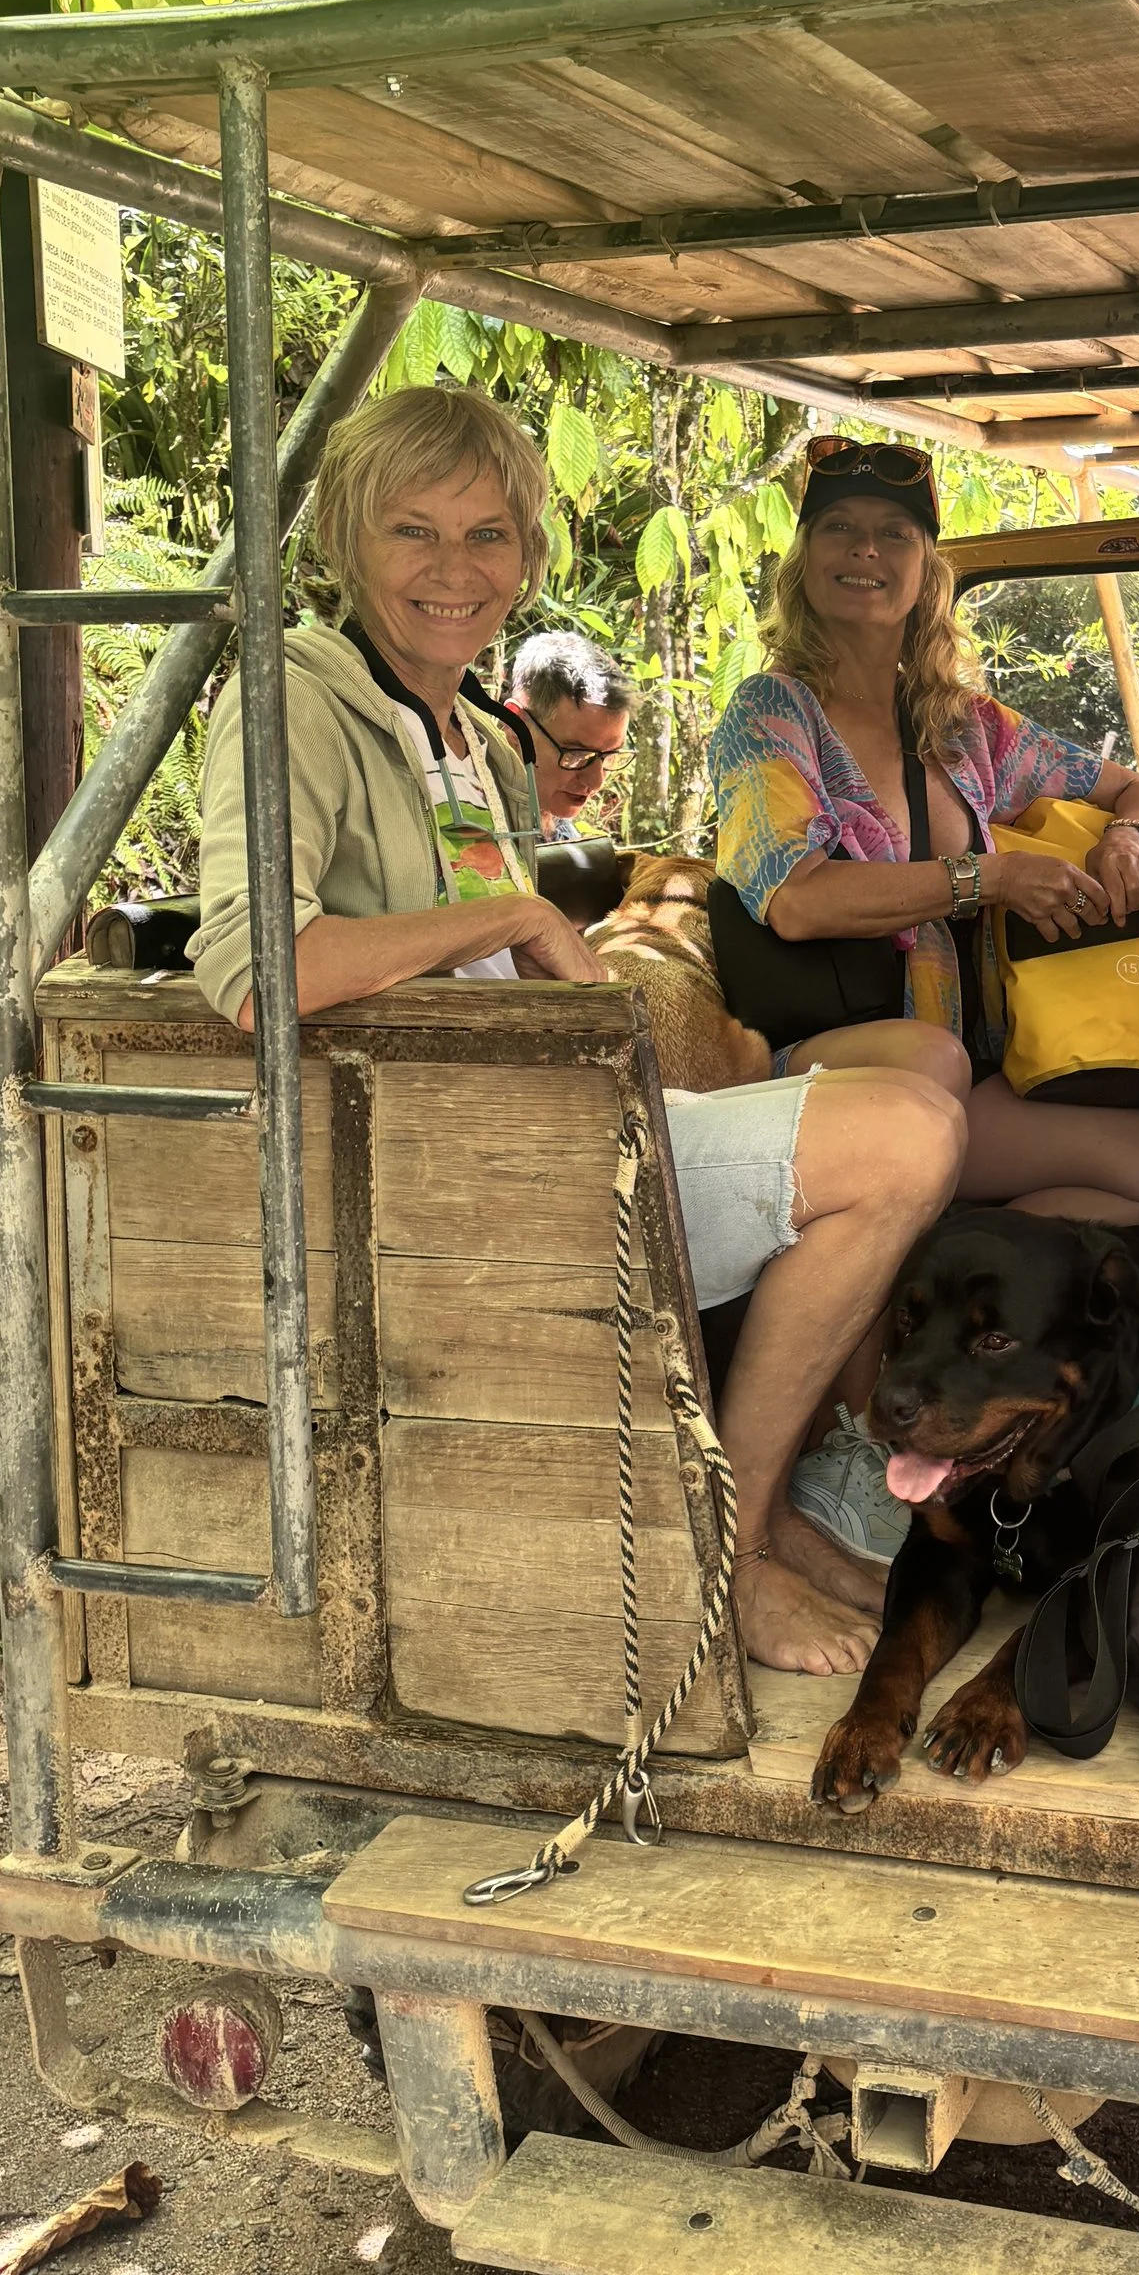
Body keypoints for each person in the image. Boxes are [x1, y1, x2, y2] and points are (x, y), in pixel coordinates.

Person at [188, 385, 960, 1678]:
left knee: (932, 1103)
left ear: (527, 559)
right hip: (451, 1166)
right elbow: (256, 969)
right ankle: (732, 1541)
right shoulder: (293, 701)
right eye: (412, 533)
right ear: (344, 539)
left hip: (563, 1114)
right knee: (896, 1145)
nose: (453, 570)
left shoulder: (477, 735)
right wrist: (507, 915)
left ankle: (770, 1514)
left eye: (488, 536)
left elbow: (498, 942)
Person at [709, 437, 1139, 1229]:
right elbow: (797, 903)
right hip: (814, 1066)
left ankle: (967, 1251)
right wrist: (988, 878)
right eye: (838, 527)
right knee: (931, 1060)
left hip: (968, 1062)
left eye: (896, 533)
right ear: (805, 559)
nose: (865, 549)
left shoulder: (966, 726)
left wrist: (1127, 841)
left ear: (926, 570)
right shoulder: (771, 712)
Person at [507, 628, 633, 838]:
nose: (596, 782)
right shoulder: (465, 819)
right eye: (577, 755)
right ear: (515, 725)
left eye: (610, 756)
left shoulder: (559, 826)